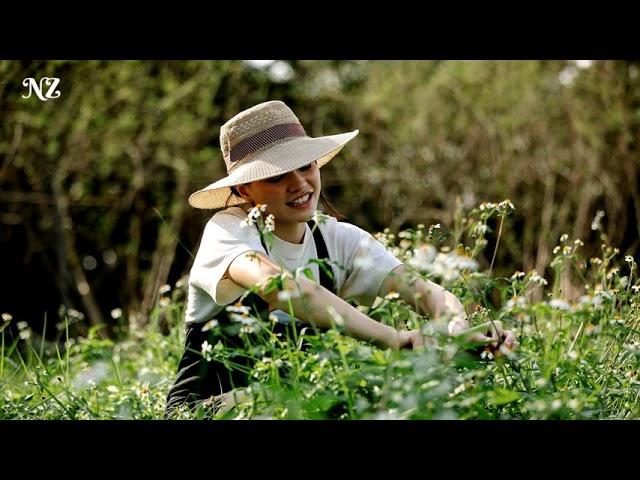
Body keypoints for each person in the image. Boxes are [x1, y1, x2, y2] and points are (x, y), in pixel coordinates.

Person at [165, 100, 517, 417]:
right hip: (210, 410)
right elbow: (281, 287)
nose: (299, 183)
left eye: (305, 166)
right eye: (277, 176)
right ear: (244, 189)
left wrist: (456, 330)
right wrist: (393, 339)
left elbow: (427, 293)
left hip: (303, 402)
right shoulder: (228, 229)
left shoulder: (337, 240)